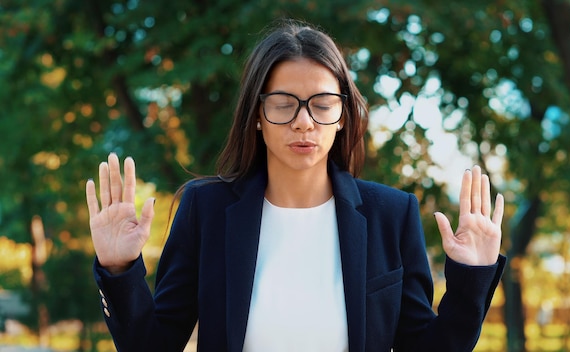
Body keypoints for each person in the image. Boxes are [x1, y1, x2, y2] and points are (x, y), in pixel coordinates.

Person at [86, 20, 506, 352]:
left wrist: (473, 276)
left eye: (322, 105)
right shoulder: (206, 209)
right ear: (256, 114)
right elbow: (153, 344)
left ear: (342, 115)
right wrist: (120, 270)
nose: (304, 121)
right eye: (284, 105)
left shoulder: (390, 215)